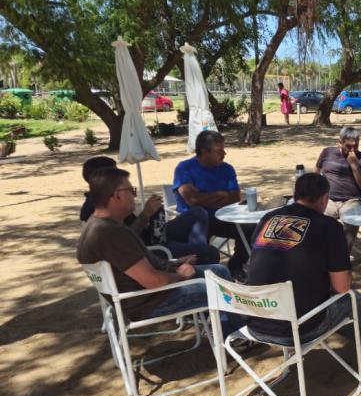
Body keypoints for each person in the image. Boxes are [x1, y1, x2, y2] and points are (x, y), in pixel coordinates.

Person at [244, 173, 361, 350]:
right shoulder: (329, 226)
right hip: (298, 329)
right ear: (324, 198)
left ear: (295, 195)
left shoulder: (268, 218)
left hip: (254, 320)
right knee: (350, 299)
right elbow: (342, 287)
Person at [76, 167, 231, 322]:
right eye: (131, 191)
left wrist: (175, 263)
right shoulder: (110, 234)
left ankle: (226, 327)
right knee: (225, 291)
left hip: (147, 295)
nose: (134, 196)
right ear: (117, 196)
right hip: (151, 302)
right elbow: (154, 281)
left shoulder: (98, 225)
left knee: (220, 271)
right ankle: (234, 331)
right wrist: (181, 275)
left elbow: (143, 269)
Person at [79, 156, 219, 265]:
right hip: (149, 248)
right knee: (208, 253)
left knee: (198, 213)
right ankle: (197, 261)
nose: (120, 178)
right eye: (115, 174)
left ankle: (195, 257)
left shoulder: (108, 198)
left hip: (151, 235)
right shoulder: (98, 208)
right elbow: (123, 240)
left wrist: (151, 215)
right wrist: (145, 214)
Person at [173, 130, 249, 277]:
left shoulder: (227, 169)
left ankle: (236, 265)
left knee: (251, 229)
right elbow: (192, 200)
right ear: (204, 151)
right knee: (201, 235)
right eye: (219, 151)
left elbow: (234, 198)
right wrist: (219, 195)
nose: (224, 153)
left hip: (222, 219)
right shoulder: (184, 168)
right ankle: (204, 274)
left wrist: (203, 198)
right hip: (194, 222)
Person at [315, 126, 361, 251]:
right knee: (316, 220)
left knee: (352, 219)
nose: (352, 149)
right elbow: (317, 171)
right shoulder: (327, 153)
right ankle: (322, 256)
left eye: (355, 146)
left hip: (351, 200)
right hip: (328, 199)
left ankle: (342, 259)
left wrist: (355, 166)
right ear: (339, 143)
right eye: (348, 146)